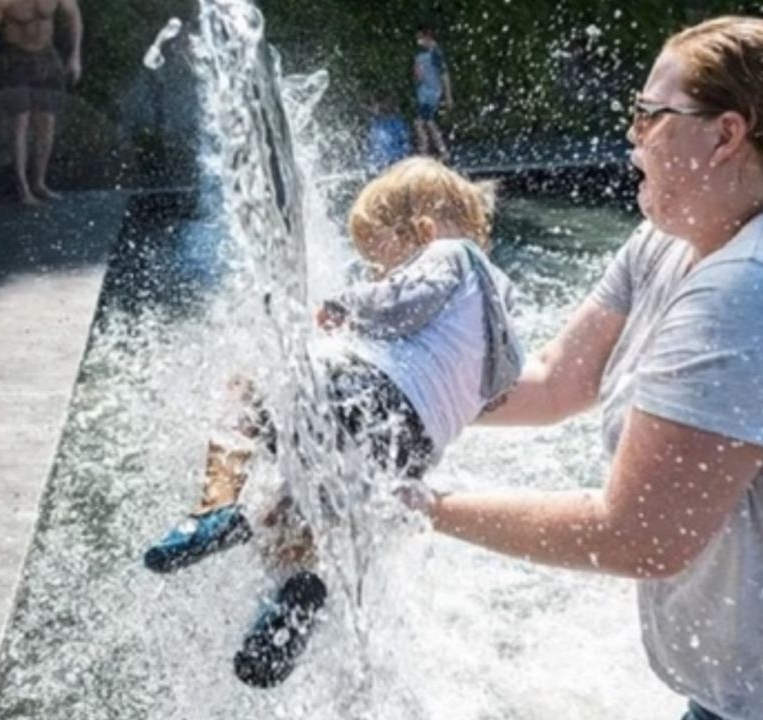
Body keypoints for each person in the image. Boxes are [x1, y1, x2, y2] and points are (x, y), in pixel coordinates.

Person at [406, 16, 763, 720]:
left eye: (650, 115)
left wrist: (416, 506)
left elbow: (637, 534)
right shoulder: (674, 238)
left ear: (726, 136)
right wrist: (391, 393)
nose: (632, 134)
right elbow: (555, 379)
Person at [142, 158, 525, 689]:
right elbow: (499, 388)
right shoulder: (502, 314)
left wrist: (345, 306)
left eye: (380, 263)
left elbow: (407, 299)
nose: (376, 276)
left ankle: (214, 507)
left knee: (245, 384)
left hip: (365, 402)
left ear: (423, 232)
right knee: (293, 512)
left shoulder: (449, 254)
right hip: (405, 452)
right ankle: (299, 591)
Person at [0, 0, 83, 206]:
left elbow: (74, 16)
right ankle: (22, 186)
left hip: (46, 56)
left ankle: (39, 182)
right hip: (14, 58)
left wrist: (75, 55)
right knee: (20, 122)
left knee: (47, 122)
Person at [412, 23, 452, 161]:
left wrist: (448, 96)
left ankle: (427, 151)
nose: (418, 41)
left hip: (431, 93)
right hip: (423, 94)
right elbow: (419, 76)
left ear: (427, 36)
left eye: (420, 38)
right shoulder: (420, 54)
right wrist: (417, 74)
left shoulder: (435, 52)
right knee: (424, 122)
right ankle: (436, 150)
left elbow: (444, 74)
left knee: (422, 122)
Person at [365, 95, 411, 173]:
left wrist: (401, 159)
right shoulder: (375, 123)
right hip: (377, 164)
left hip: (393, 161)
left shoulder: (398, 123)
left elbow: (405, 144)